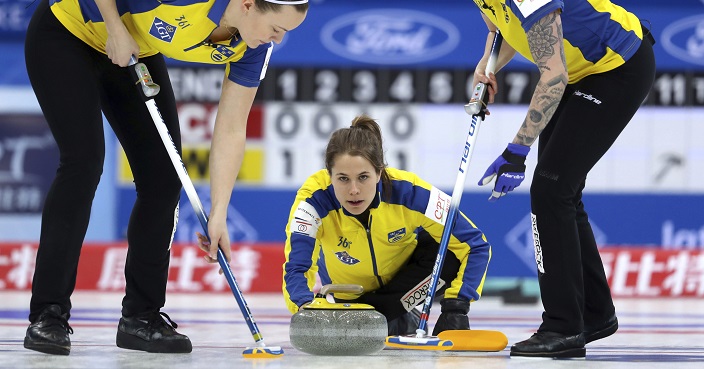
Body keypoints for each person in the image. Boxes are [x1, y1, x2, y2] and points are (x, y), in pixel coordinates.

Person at [23, 0, 308, 356]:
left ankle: (141, 319)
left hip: (134, 49)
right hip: (66, 31)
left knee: (164, 176)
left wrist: (218, 213)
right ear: (248, 5)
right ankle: (48, 315)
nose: (276, 40)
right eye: (276, 29)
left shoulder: (253, 49)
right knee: (83, 162)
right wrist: (113, 26)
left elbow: (233, 128)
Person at [470, 0, 655, 358]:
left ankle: (562, 327)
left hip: (617, 66)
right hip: (579, 68)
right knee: (560, 190)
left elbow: (553, 75)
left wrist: (516, 151)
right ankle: (594, 313)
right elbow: (503, 28)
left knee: (552, 187)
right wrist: (486, 67)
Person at [277, 115, 492, 336]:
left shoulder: (411, 193)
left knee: (450, 254)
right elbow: (298, 266)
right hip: (350, 298)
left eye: (363, 177)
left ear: (380, 173)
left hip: (402, 288)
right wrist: (305, 308)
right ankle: (394, 319)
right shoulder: (312, 202)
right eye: (342, 179)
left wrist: (456, 308)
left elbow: (475, 245)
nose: (353, 190)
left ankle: (394, 314)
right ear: (329, 175)